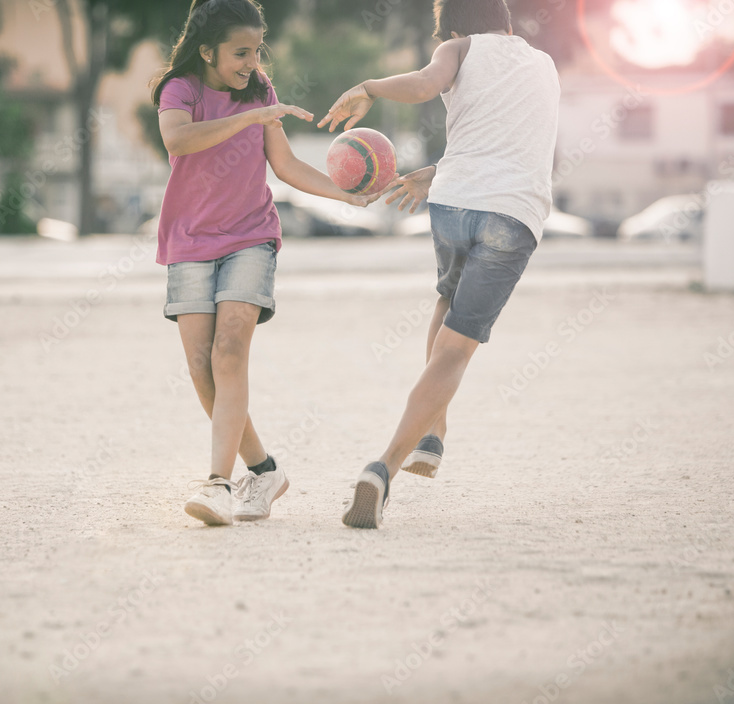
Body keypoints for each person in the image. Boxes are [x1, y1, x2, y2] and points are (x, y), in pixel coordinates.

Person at [318, 0, 560, 528]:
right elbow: (512, 141)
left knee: (445, 303)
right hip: (513, 215)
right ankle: (384, 466)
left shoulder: (458, 47)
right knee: (456, 351)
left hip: (454, 204)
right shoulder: (542, 65)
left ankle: (433, 432)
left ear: (452, 29)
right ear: (509, 24)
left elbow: (428, 84)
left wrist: (372, 86)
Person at [153, 0, 376, 526]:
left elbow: (287, 165)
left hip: (251, 237)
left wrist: (347, 197)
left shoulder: (260, 91)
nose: (252, 62)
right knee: (203, 369)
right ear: (206, 50)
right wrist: (252, 116)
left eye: (256, 50)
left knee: (229, 351)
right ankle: (264, 469)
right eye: (240, 52)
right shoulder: (179, 89)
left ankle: (217, 484)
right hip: (188, 242)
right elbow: (177, 139)